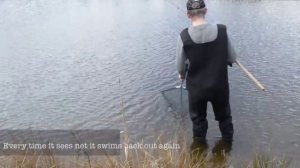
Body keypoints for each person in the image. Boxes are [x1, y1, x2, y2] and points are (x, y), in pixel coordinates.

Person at [176, 0, 236, 144]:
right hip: (219, 87)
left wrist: (182, 74)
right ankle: (227, 145)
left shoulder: (184, 36)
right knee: (224, 118)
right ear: (206, 11)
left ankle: (198, 151)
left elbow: (180, 66)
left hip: (197, 90)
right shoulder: (222, 31)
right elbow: (232, 58)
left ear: (188, 15)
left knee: (198, 121)